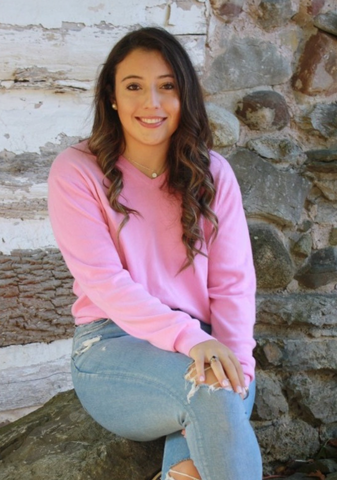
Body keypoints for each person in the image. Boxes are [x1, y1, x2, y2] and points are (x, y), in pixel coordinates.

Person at [48, 26, 262, 480]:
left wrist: (238, 368)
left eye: (167, 86)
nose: (152, 103)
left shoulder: (213, 174)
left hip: (204, 346)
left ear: (184, 95)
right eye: (134, 87)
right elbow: (105, 283)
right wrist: (194, 342)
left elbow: (233, 284)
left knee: (203, 433)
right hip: (112, 346)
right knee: (206, 390)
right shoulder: (77, 172)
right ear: (111, 96)